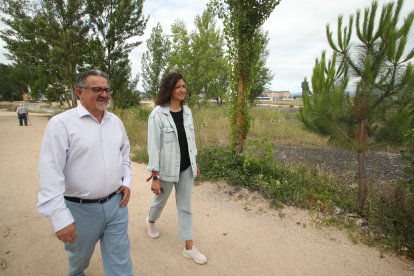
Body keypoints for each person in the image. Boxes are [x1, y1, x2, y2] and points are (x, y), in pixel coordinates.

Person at [37, 70, 133, 276]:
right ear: (78, 92)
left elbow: (125, 155)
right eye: (97, 89)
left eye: (106, 90)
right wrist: (60, 218)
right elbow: (50, 173)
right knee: (78, 260)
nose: (104, 94)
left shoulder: (115, 122)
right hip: (79, 210)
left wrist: (128, 181)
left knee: (121, 259)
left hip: (116, 205)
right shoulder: (61, 124)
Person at [146, 72, 208, 265]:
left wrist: (194, 163)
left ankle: (189, 247)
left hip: (186, 168)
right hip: (165, 169)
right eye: (178, 86)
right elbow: (153, 146)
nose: (182, 90)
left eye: (183, 86)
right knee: (160, 201)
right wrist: (154, 176)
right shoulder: (158, 114)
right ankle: (150, 220)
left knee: (185, 207)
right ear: (169, 90)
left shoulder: (187, 111)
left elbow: (191, 140)